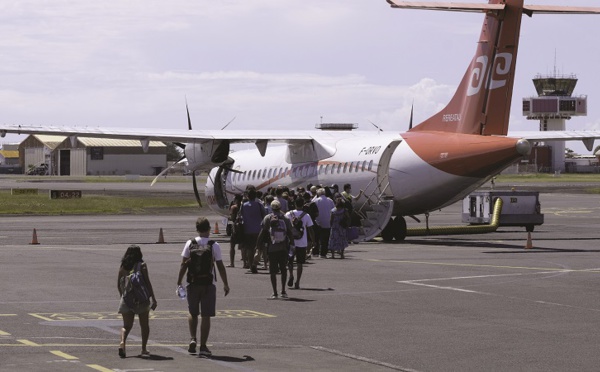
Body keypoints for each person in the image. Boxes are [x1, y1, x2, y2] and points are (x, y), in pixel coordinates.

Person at [177, 217, 230, 357]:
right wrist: (225, 283)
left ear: (197, 229)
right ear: (209, 229)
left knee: (192, 313)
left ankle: (193, 338)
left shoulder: (190, 243)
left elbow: (184, 264)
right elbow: (220, 266)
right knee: (206, 316)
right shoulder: (214, 245)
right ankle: (203, 346)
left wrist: (179, 281)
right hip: (208, 284)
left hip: (192, 283)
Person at [117, 245, 157, 358]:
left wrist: (123, 297)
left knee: (126, 326)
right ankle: (143, 348)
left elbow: (118, 285)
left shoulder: (123, 267)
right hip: (141, 300)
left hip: (127, 299)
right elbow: (147, 283)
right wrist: (153, 298)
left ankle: (122, 343)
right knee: (144, 325)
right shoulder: (142, 265)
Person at [256, 200, 294, 299]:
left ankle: (274, 292)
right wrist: (292, 245)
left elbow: (263, 232)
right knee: (283, 269)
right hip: (283, 247)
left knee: (272, 271)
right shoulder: (285, 218)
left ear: (271, 208)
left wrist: (258, 245)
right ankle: (283, 291)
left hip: (272, 248)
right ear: (280, 207)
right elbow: (290, 232)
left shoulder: (268, 218)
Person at [285, 198, 315, 289]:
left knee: (289, 261)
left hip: (291, 241)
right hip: (302, 242)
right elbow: (310, 229)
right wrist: (313, 240)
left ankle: (290, 274)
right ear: (303, 204)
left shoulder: (288, 214)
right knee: (300, 263)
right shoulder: (306, 216)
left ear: (294, 204)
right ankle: (297, 282)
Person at [240, 187, 266, 273]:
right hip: (258, 230)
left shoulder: (243, 205)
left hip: (247, 230)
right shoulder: (259, 205)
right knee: (259, 248)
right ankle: (255, 263)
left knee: (249, 249)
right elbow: (264, 215)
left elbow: (240, 216)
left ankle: (251, 265)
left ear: (247, 196)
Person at [313, 188, 335, 258]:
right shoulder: (330, 200)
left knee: (317, 238)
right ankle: (323, 253)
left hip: (318, 221)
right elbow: (333, 210)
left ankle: (315, 252)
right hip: (328, 221)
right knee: (325, 239)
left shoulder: (316, 201)